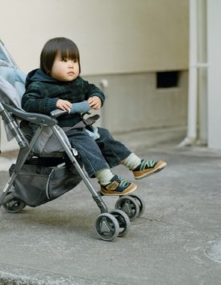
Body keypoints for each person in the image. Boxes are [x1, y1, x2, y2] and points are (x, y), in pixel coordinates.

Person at [21, 37, 166, 196]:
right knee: (87, 141)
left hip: (77, 127)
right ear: (48, 66)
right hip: (55, 134)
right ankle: (107, 181)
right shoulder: (40, 85)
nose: (71, 65)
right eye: (64, 61)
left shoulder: (76, 82)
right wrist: (53, 103)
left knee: (103, 135)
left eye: (74, 61)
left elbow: (92, 89)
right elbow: (28, 102)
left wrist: (97, 97)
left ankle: (136, 165)